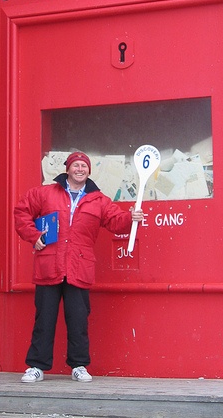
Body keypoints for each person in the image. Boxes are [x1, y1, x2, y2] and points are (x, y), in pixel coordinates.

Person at [14, 151, 144, 383]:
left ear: (89, 171)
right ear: (68, 169)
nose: (80, 169)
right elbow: (21, 212)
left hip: (79, 267)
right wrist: (33, 236)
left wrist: (131, 217)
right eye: (76, 165)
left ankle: (79, 365)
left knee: (78, 320)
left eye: (84, 166)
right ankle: (36, 366)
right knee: (44, 319)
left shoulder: (99, 200)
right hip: (48, 265)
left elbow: (116, 222)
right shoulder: (45, 193)